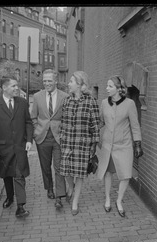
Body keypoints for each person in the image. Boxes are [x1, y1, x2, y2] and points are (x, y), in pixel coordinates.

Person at [0, 76, 33, 218]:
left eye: (17, 86)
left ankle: (20, 206)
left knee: (19, 175)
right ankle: (10, 197)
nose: (16, 88)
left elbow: (28, 123)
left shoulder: (23, 103)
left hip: (19, 147)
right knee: (6, 174)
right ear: (4, 88)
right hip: (2, 149)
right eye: (13, 86)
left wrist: (29, 140)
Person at [96, 75, 144, 217]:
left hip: (124, 145)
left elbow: (135, 126)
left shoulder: (129, 103)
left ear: (119, 89)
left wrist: (138, 144)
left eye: (110, 86)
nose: (107, 88)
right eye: (106, 86)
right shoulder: (104, 103)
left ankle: (119, 201)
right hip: (108, 145)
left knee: (125, 175)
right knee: (108, 172)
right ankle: (107, 199)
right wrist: (92, 131)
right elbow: (101, 122)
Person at [59, 71, 100, 215]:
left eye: (71, 81)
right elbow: (63, 121)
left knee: (80, 174)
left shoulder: (91, 102)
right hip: (67, 142)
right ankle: (71, 187)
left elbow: (95, 125)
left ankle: (75, 200)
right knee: (66, 171)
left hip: (82, 144)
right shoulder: (66, 101)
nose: (68, 84)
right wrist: (62, 135)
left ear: (80, 84)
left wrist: (94, 145)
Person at [31, 69, 69, 208]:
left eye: (49, 81)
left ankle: (60, 196)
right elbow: (33, 116)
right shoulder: (37, 96)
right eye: (45, 81)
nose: (47, 83)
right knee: (45, 167)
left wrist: (63, 131)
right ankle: (50, 189)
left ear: (55, 81)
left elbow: (67, 117)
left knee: (59, 167)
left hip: (58, 137)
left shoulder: (65, 97)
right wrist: (36, 130)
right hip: (42, 137)